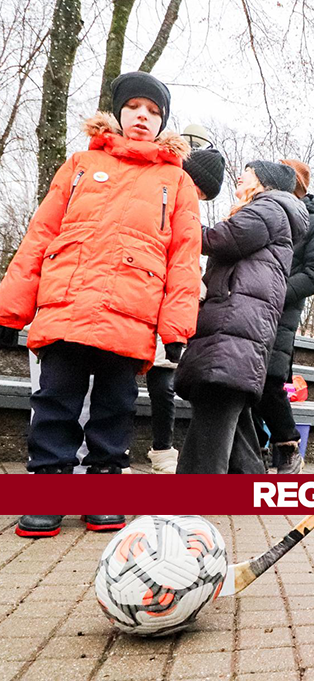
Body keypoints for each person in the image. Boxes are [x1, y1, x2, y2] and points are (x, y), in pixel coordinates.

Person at [0, 71, 201, 536]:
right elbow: (39, 236)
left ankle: (104, 493)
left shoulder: (177, 181)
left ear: (163, 122)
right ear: (118, 112)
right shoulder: (79, 166)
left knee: (115, 409)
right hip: (66, 305)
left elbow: (184, 260)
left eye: (153, 112)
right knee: (54, 403)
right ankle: (48, 493)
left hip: (130, 315)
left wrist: (175, 331)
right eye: (134, 108)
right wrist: (11, 309)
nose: (142, 118)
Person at [175, 161, 307, 474]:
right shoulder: (274, 211)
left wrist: (175, 218)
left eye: (247, 171)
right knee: (229, 410)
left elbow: (218, 239)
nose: (239, 175)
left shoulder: (268, 209)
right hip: (240, 328)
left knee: (215, 404)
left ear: (264, 182)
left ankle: (190, 497)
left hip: (233, 327)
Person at [251, 158, 314, 475]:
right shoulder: (268, 215)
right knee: (249, 383)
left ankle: (287, 447)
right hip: (251, 310)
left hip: (281, 314)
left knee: (270, 382)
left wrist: (275, 291)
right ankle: (254, 450)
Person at [146, 146, 226, 473]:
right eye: (200, 189)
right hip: (143, 288)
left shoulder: (189, 207)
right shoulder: (160, 188)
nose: (199, 197)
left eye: (206, 195)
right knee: (119, 381)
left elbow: (186, 252)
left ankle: (163, 448)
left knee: (163, 381)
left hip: (171, 302)